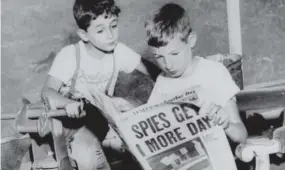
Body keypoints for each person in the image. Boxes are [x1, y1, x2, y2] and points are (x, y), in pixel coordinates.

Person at [41, 0, 149, 169]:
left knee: (140, 144)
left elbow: (154, 71)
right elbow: (47, 92)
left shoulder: (119, 51)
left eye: (113, 26)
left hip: (103, 120)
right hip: (73, 126)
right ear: (84, 35)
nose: (110, 35)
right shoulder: (70, 55)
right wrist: (68, 103)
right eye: (100, 30)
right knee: (89, 156)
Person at [144, 3, 247, 144]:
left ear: (191, 40)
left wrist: (226, 124)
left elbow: (242, 135)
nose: (168, 65)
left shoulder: (214, 72)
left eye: (174, 53)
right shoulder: (163, 81)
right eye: (159, 57)